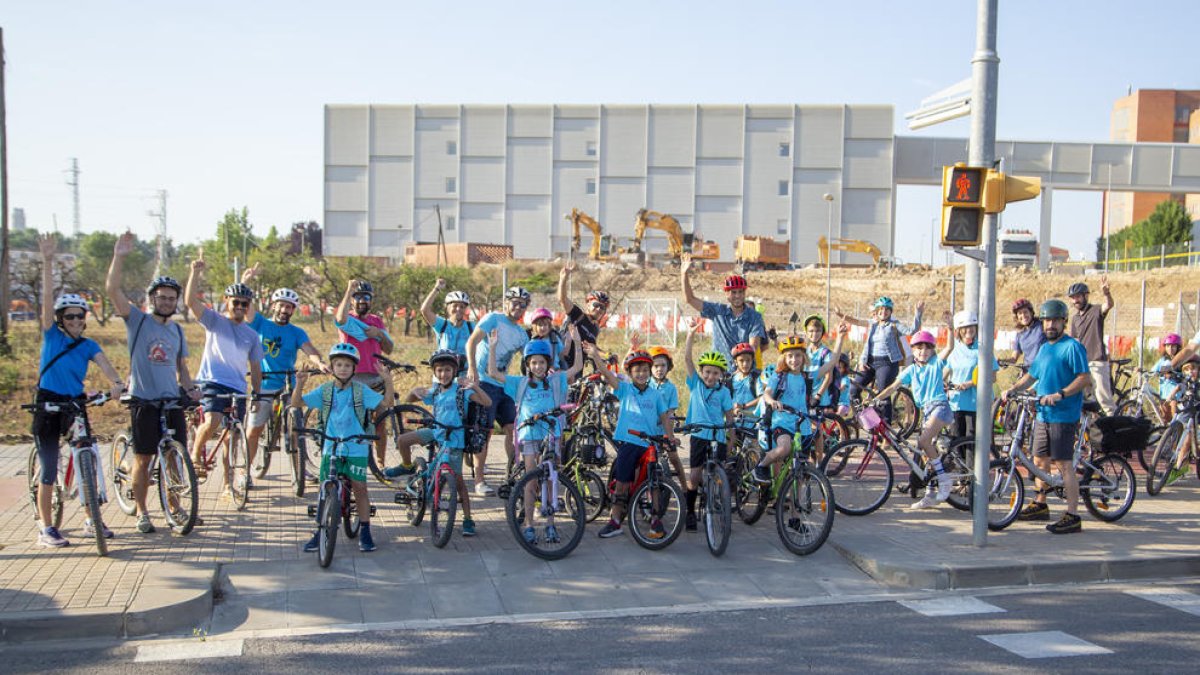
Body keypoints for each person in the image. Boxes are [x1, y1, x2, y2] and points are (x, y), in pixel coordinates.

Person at [31, 235, 125, 547]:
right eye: (69, 316)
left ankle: (91, 518)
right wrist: (47, 262)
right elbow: (45, 301)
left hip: (74, 405)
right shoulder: (52, 337)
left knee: (88, 455)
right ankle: (46, 528)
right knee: (48, 468)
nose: (75, 320)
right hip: (47, 404)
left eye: (80, 316)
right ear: (60, 319)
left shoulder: (89, 345)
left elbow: (106, 366)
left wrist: (115, 384)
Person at [105, 232, 201, 534]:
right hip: (143, 401)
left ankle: (175, 508)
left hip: (170, 400)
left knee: (175, 456)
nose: (167, 302)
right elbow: (112, 289)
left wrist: (190, 390)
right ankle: (142, 512)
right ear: (152, 299)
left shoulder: (177, 331)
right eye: (162, 297)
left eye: (172, 298)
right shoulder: (137, 320)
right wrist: (119, 256)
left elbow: (181, 367)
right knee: (144, 458)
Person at [1002, 299, 1091, 535]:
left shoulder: (1072, 347)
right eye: (1047, 321)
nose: (1050, 325)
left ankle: (1073, 514)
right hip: (1043, 413)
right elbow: (1032, 376)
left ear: (1063, 321)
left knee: (1063, 464)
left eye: (1055, 320)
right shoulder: (1044, 349)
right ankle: (1040, 503)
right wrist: (1013, 390)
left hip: (1064, 413)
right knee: (1038, 459)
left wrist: (1061, 394)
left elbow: (1084, 378)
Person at [293, 343, 393, 552]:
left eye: (347, 365)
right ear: (332, 367)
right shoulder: (326, 390)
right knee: (325, 488)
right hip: (331, 447)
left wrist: (387, 381)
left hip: (356, 447)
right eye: (338, 364)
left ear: (354, 369)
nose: (343, 368)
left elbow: (387, 404)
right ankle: (320, 530)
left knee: (360, 488)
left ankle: (365, 530)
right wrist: (299, 384)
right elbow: (296, 404)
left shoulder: (360, 390)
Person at [489, 328, 583, 543]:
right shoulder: (520, 383)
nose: (538, 367)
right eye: (533, 363)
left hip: (551, 433)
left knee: (551, 480)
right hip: (530, 434)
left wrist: (576, 344)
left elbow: (577, 367)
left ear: (548, 363)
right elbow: (493, 373)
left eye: (542, 362)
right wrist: (493, 347)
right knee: (531, 481)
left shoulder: (557, 379)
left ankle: (551, 525)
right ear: (527, 364)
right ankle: (529, 524)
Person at [386, 348, 491, 536]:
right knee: (403, 440)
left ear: (454, 372)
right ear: (434, 372)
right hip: (436, 432)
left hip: (454, 441)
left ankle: (468, 519)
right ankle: (408, 465)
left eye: (447, 370)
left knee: (458, 483)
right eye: (439, 370)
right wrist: (413, 392)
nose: (443, 374)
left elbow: (487, 402)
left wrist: (474, 386)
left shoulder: (462, 391)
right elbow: (410, 400)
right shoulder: (434, 391)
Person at [185, 254, 264, 498]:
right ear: (226, 301)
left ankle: (228, 485)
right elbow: (190, 301)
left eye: (244, 304)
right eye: (235, 302)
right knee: (212, 421)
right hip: (211, 382)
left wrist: (257, 394)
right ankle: (195, 457)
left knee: (233, 439)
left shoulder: (251, 335)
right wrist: (195, 273)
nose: (240, 307)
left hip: (237, 389)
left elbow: (256, 367)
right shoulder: (214, 321)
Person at [240, 267, 330, 470]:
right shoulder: (261, 323)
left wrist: (320, 362)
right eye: (281, 306)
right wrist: (246, 281)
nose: (284, 310)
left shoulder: (297, 332)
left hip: (287, 384)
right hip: (262, 384)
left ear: (293, 310)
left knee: (294, 427)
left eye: (289, 307)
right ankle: (245, 471)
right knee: (254, 430)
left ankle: (299, 469)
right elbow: (245, 305)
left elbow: (309, 350)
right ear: (274, 306)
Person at [587, 345, 674, 539]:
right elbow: (607, 375)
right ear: (630, 373)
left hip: (649, 444)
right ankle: (615, 521)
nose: (642, 374)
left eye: (645, 370)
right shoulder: (625, 389)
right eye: (637, 370)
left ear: (650, 371)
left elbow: (665, 417)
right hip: (628, 441)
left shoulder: (656, 394)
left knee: (655, 481)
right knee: (623, 484)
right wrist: (595, 356)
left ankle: (655, 519)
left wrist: (669, 437)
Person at [873, 329, 957, 509]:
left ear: (933, 351)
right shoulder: (911, 369)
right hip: (927, 411)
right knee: (924, 451)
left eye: (927, 348)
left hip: (940, 407)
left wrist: (950, 327)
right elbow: (893, 387)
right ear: (913, 350)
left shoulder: (935, 363)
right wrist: (875, 399)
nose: (923, 351)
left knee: (923, 440)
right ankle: (930, 492)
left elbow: (949, 346)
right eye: (919, 348)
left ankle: (944, 480)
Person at [753, 328, 845, 484]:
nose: (794, 360)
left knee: (801, 468)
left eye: (797, 356)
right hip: (782, 422)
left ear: (804, 358)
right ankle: (761, 466)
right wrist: (772, 402)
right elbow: (767, 393)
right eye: (790, 356)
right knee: (784, 448)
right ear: (784, 358)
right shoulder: (779, 376)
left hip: (802, 425)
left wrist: (840, 338)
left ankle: (794, 505)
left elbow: (831, 363)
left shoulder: (807, 376)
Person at [465, 286, 532, 496]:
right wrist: (472, 368)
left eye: (523, 305)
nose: (518, 308)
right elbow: (472, 341)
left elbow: (529, 359)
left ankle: (511, 473)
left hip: (504, 385)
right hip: (484, 381)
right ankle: (479, 480)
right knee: (484, 431)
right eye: (515, 303)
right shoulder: (493, 318)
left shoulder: (522, 334)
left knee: (513, 429)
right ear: (506, 303)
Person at [335, 279, 395, 468]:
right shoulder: (349, 319)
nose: (362, 301)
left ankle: (380, 463)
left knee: (381, 423)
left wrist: (379, 334)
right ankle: (349, 460)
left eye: (366, 297)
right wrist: (348, 289)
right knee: (351, 423)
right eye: (358, 297)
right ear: (352, 300)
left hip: (376, 377)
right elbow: (340, 318)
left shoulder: (376, 321)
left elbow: (389, 348)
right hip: (354, 378)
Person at [681, 320, 735, 532]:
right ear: (701, 372)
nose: (711, 376)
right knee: (694, 476)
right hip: (699, 435)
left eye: (715, 373)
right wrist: (690, 335)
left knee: (719, 476)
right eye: (707, 372)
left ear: (721, 374)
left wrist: (730, 440)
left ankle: (718, 506)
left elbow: (729, 418)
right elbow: (687, 359)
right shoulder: (695, 383)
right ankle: (691, 511)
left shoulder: (724, 392)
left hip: (718, 437)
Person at [836, 296, 924, 420]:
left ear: (890, 311)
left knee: (883, 393)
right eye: (881, 309)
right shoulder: (873, 324)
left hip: (887, 363)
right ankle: (864, 418)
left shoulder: (894, 325)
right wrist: (840, 314)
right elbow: (857, 321)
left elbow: (912, 331)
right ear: (877, 311)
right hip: (870, 362)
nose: (884, 312)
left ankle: (886, 424)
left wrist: (918, 313)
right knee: (854, 389)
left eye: (887, 309)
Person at [680, 254, 767, 368]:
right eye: (733, 292)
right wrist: (684, 274)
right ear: (727, 294)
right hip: (719, 372)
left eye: (740, 292)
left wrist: (740, 370)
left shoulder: (754, 317)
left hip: (744, 373)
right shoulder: (717, 311)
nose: (737, 296)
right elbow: (690, 299)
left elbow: (753, 347)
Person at [945, 311, 999, 439]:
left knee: (971, 444)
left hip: (976, 404)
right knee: (956, 444)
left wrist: (970, 383)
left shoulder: (983, 349)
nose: (969, 330)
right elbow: (945, 371)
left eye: (972, 326)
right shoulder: (955, 349)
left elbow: (992, 377)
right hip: (956, 403)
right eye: (965, 327)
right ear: (959, 330)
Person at [1067, 279, 1115, 416]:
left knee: (1104, 401)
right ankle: (1092, 432)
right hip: (1082, 365)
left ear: (1086, 296)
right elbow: (1074, 342)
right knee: (1086, 401)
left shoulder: (1095, 311)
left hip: (1097, 361)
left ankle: (1114, 431)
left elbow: (1109, 305)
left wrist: (1107, 293)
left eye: (1078, 296)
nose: (1075, 300)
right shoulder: (1075, 319)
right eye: (1073, 298)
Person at [647, 345, 688, 490]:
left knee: (674, 458)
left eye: (663, 365)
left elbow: (671, 412)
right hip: (647, 430)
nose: (659, 369)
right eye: (655, 365)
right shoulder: (645, 384)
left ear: (668, 367)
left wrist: (668, 432)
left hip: (664, 430)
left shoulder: (671, 388)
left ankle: (685, 488)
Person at [557, 262, 609, 373]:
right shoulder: (577, 314)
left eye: (603, 308)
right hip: (562, 364)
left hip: (577, 368)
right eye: (596, 305)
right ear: (588, 304)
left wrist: (607, 355)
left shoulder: (595, 328)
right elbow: (563, 299)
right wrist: (563, 280)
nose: (599, 309)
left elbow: (590, 346)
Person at [420, 278, 474, 374]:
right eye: (455, 305)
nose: (458, 309)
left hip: (465, 378)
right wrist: (436, 289)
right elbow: (424, 310)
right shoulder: (442, 325)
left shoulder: (472, 327)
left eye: (462, 306)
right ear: (448, 307)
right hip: (443, 376)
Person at [728, 342, 762, 424]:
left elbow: (762, 398)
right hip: (735, 422)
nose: (745, 364)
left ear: (752, 361)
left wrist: (744, 406)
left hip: (752, 422)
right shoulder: (730, 380)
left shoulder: (755, 378)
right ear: (735, 362)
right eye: (741, 360)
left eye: (748, 360)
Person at [526, 308, 567, 373]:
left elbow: (562, 354)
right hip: (539, 371)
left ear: (549, 326)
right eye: (540, 325)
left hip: (555, 370)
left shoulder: (554, 339)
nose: (543, 328)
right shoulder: (533, 343)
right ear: (535, 327)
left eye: (545, 325)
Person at [1153, 333, 1183, 420]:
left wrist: (1174, 374)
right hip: (1164, 391)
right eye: (1168, 346)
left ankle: (1176, 430)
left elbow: (1184, 373)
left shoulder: (1181, 359)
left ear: (1178, 347)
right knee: (1164, 416)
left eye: (1173, 346)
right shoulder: (1163, 360)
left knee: (1174, 412)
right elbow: (1154, 370)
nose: (1170, 348)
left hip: (1175, 392)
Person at [1011, 298, 1045, 365]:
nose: (1023, 315)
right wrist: (1001, 361)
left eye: (1025, 312)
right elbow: (1014, 358)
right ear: (1017, 317)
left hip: (1043, 369)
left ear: (1031, 313)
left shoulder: (1042, 325)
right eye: (1020, 313)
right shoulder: (1020, 334)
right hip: (1028, 371)